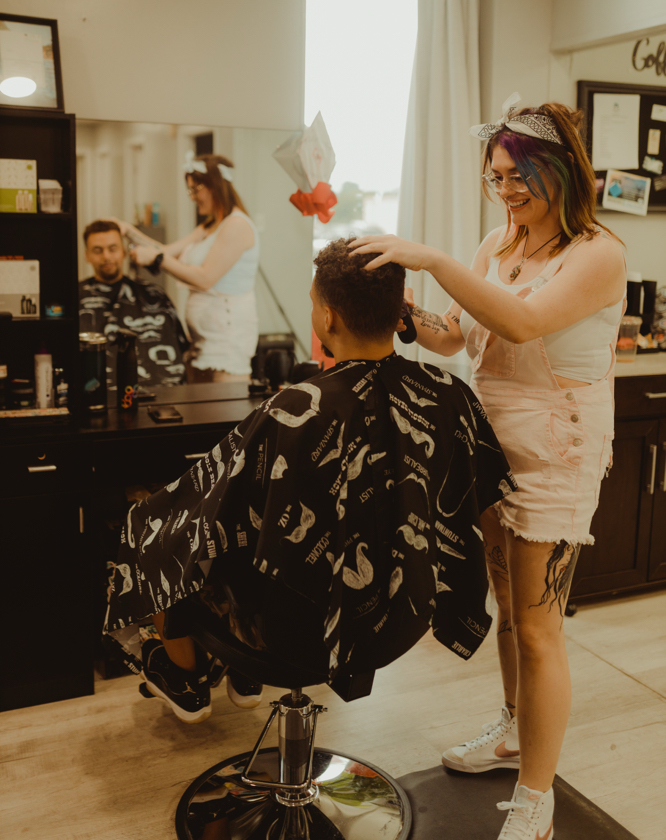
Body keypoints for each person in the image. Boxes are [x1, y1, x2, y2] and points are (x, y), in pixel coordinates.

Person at [349, 95, 626, 840]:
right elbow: (455, 336)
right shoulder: (500, 244)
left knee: (538, 629)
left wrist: (433, 259)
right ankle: (511, 730)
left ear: (561, 170)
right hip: (491, 443)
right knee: (507, 603)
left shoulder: (597, 253)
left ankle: (538, 798)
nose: (504, 190)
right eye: (495, 176)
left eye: (516, 176)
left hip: (558, 451)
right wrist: (407, 313)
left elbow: (524, 323)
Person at [105, 238, 516, 724]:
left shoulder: (294, 408)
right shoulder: (450, 394)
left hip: (295, 634)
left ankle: (188, 676)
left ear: (327, 319)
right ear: (399, 312)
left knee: (149, 525)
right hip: (401, 618)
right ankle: (241, 675)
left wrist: (152, 509)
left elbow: (213, 509)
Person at [108, 152, 259, 383]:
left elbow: (205, 278)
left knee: (226, 405)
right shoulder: (209, 226)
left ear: (215, 186)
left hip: (227, 340)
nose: (192, 197)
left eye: (195, 190)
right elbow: (167, 250)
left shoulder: (237, 225)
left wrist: (157, 259)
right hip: (202, 340)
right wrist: (128, 231)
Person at [79, 220, 187, 390]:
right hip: (100, 395)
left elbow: (182, 349)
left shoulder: (154, 295)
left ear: (124, 251)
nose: (106, 256)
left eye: (112, 249)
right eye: (98, 250)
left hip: (162, 393)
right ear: (87, 255)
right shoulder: (75, 298)